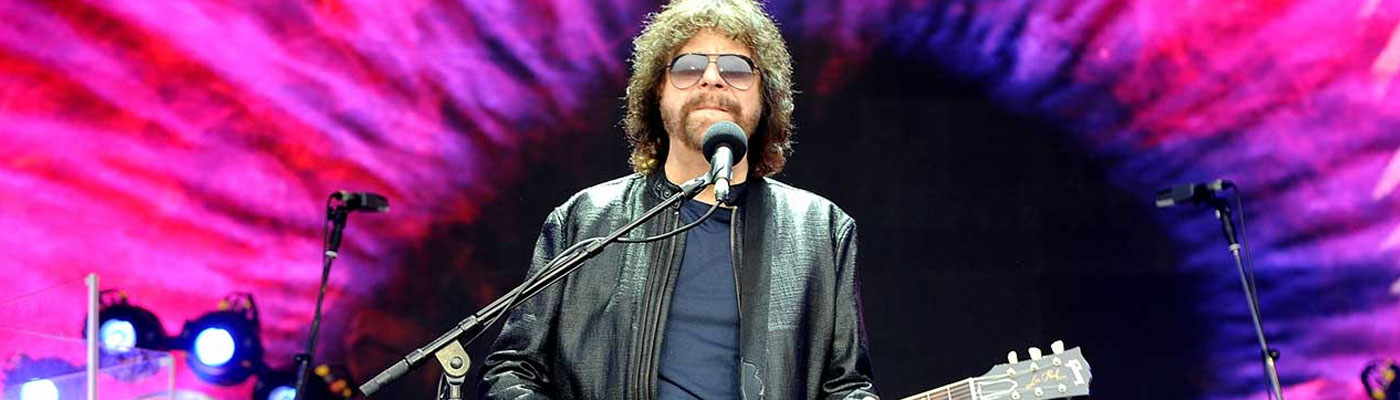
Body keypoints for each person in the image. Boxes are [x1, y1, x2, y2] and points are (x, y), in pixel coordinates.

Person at [479, 0, 878, 398]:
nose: (712, 79)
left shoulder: (821, 230)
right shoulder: (584, 220)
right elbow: (511, 372)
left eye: (736, 68)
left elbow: (847, 387)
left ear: (765, 97)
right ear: (657, 92)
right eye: (688, 67)